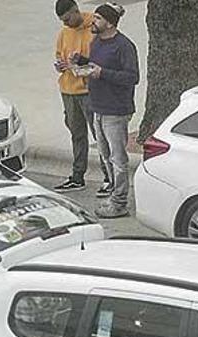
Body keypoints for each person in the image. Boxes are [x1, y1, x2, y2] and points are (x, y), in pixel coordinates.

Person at [71, 2, 139, 218]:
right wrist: (81, 62)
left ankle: (120, 202)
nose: (93, 21)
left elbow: (132, 77)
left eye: (98, 18)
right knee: (105, 155)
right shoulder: (97, 42)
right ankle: (113, 193)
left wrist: (103, 73)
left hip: (115, 111)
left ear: (110, 23)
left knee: (118, 159)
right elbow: (95, 64)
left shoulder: (124, 46)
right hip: (97, 107)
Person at [52, 0, 111, 195]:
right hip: (68, 90)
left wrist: (82, 64)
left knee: (99, 135)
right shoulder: (63, 33)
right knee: (77, 134)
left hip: (89, 91)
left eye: (68, 18)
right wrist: (60, 65)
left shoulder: (93, 28)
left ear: (76, 11)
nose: (66, 23)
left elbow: (100, 59)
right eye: (62, 20)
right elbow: (59, 55)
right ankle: (77, 176)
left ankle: (108, 177)